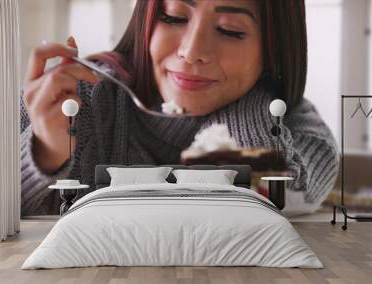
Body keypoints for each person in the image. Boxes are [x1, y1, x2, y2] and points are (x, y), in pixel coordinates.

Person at [20, 0, 339, 216]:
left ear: (275, 46)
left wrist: (255, 99)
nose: (192, 51)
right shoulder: (72, 101)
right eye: (173, 15)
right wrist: (46, 153)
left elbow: (286, 206)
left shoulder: (302, 133)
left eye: (230, 30)